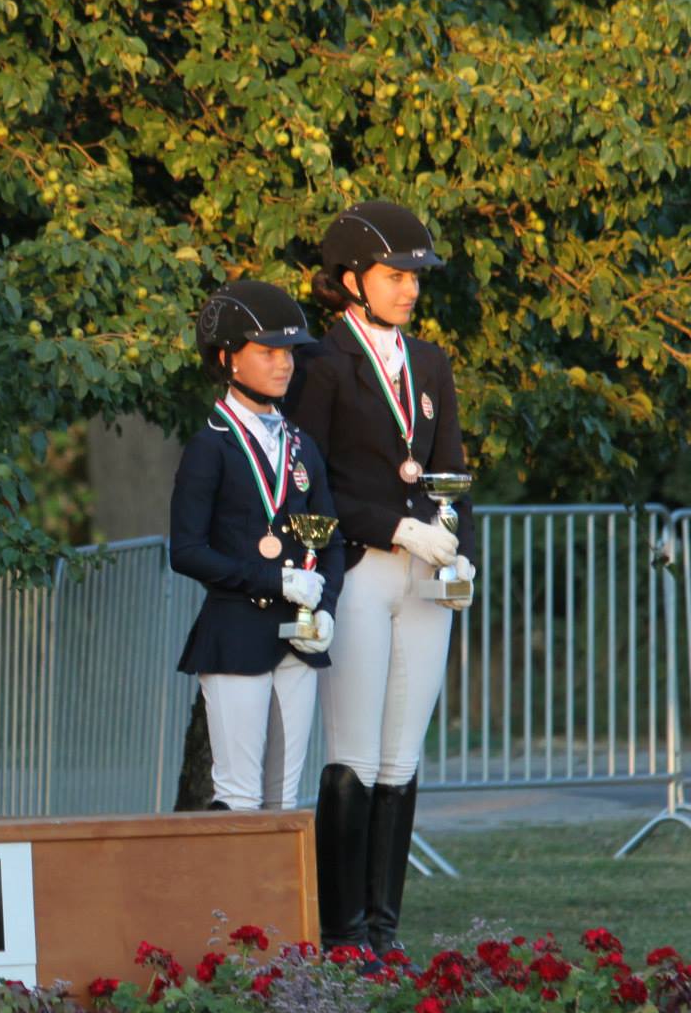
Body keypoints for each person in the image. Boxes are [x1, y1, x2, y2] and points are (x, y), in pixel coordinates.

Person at [290, 200, 474, 957]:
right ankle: (344, 935)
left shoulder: (430, 363)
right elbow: (312, 479)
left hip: (425, 576)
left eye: (414, 277)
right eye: (395, 276)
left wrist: (460, 551)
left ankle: (385, 934)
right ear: (351, 280)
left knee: (403, 756)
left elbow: (452, 469)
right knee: (356, 754)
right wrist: (393, 527)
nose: (410, 289)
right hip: (362, 567)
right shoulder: (320, 363)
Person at [171, 280, 345, 816]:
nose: (284, 363)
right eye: (268, 352)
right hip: (235, 634)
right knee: (240, 794)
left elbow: (331, 539)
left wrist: (327, 607)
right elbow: (186, 550)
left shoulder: (301, 445)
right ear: (228, 358)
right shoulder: (209, 446)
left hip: (299, 638)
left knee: (283, 799)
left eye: (288, 352)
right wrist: (276, 580)